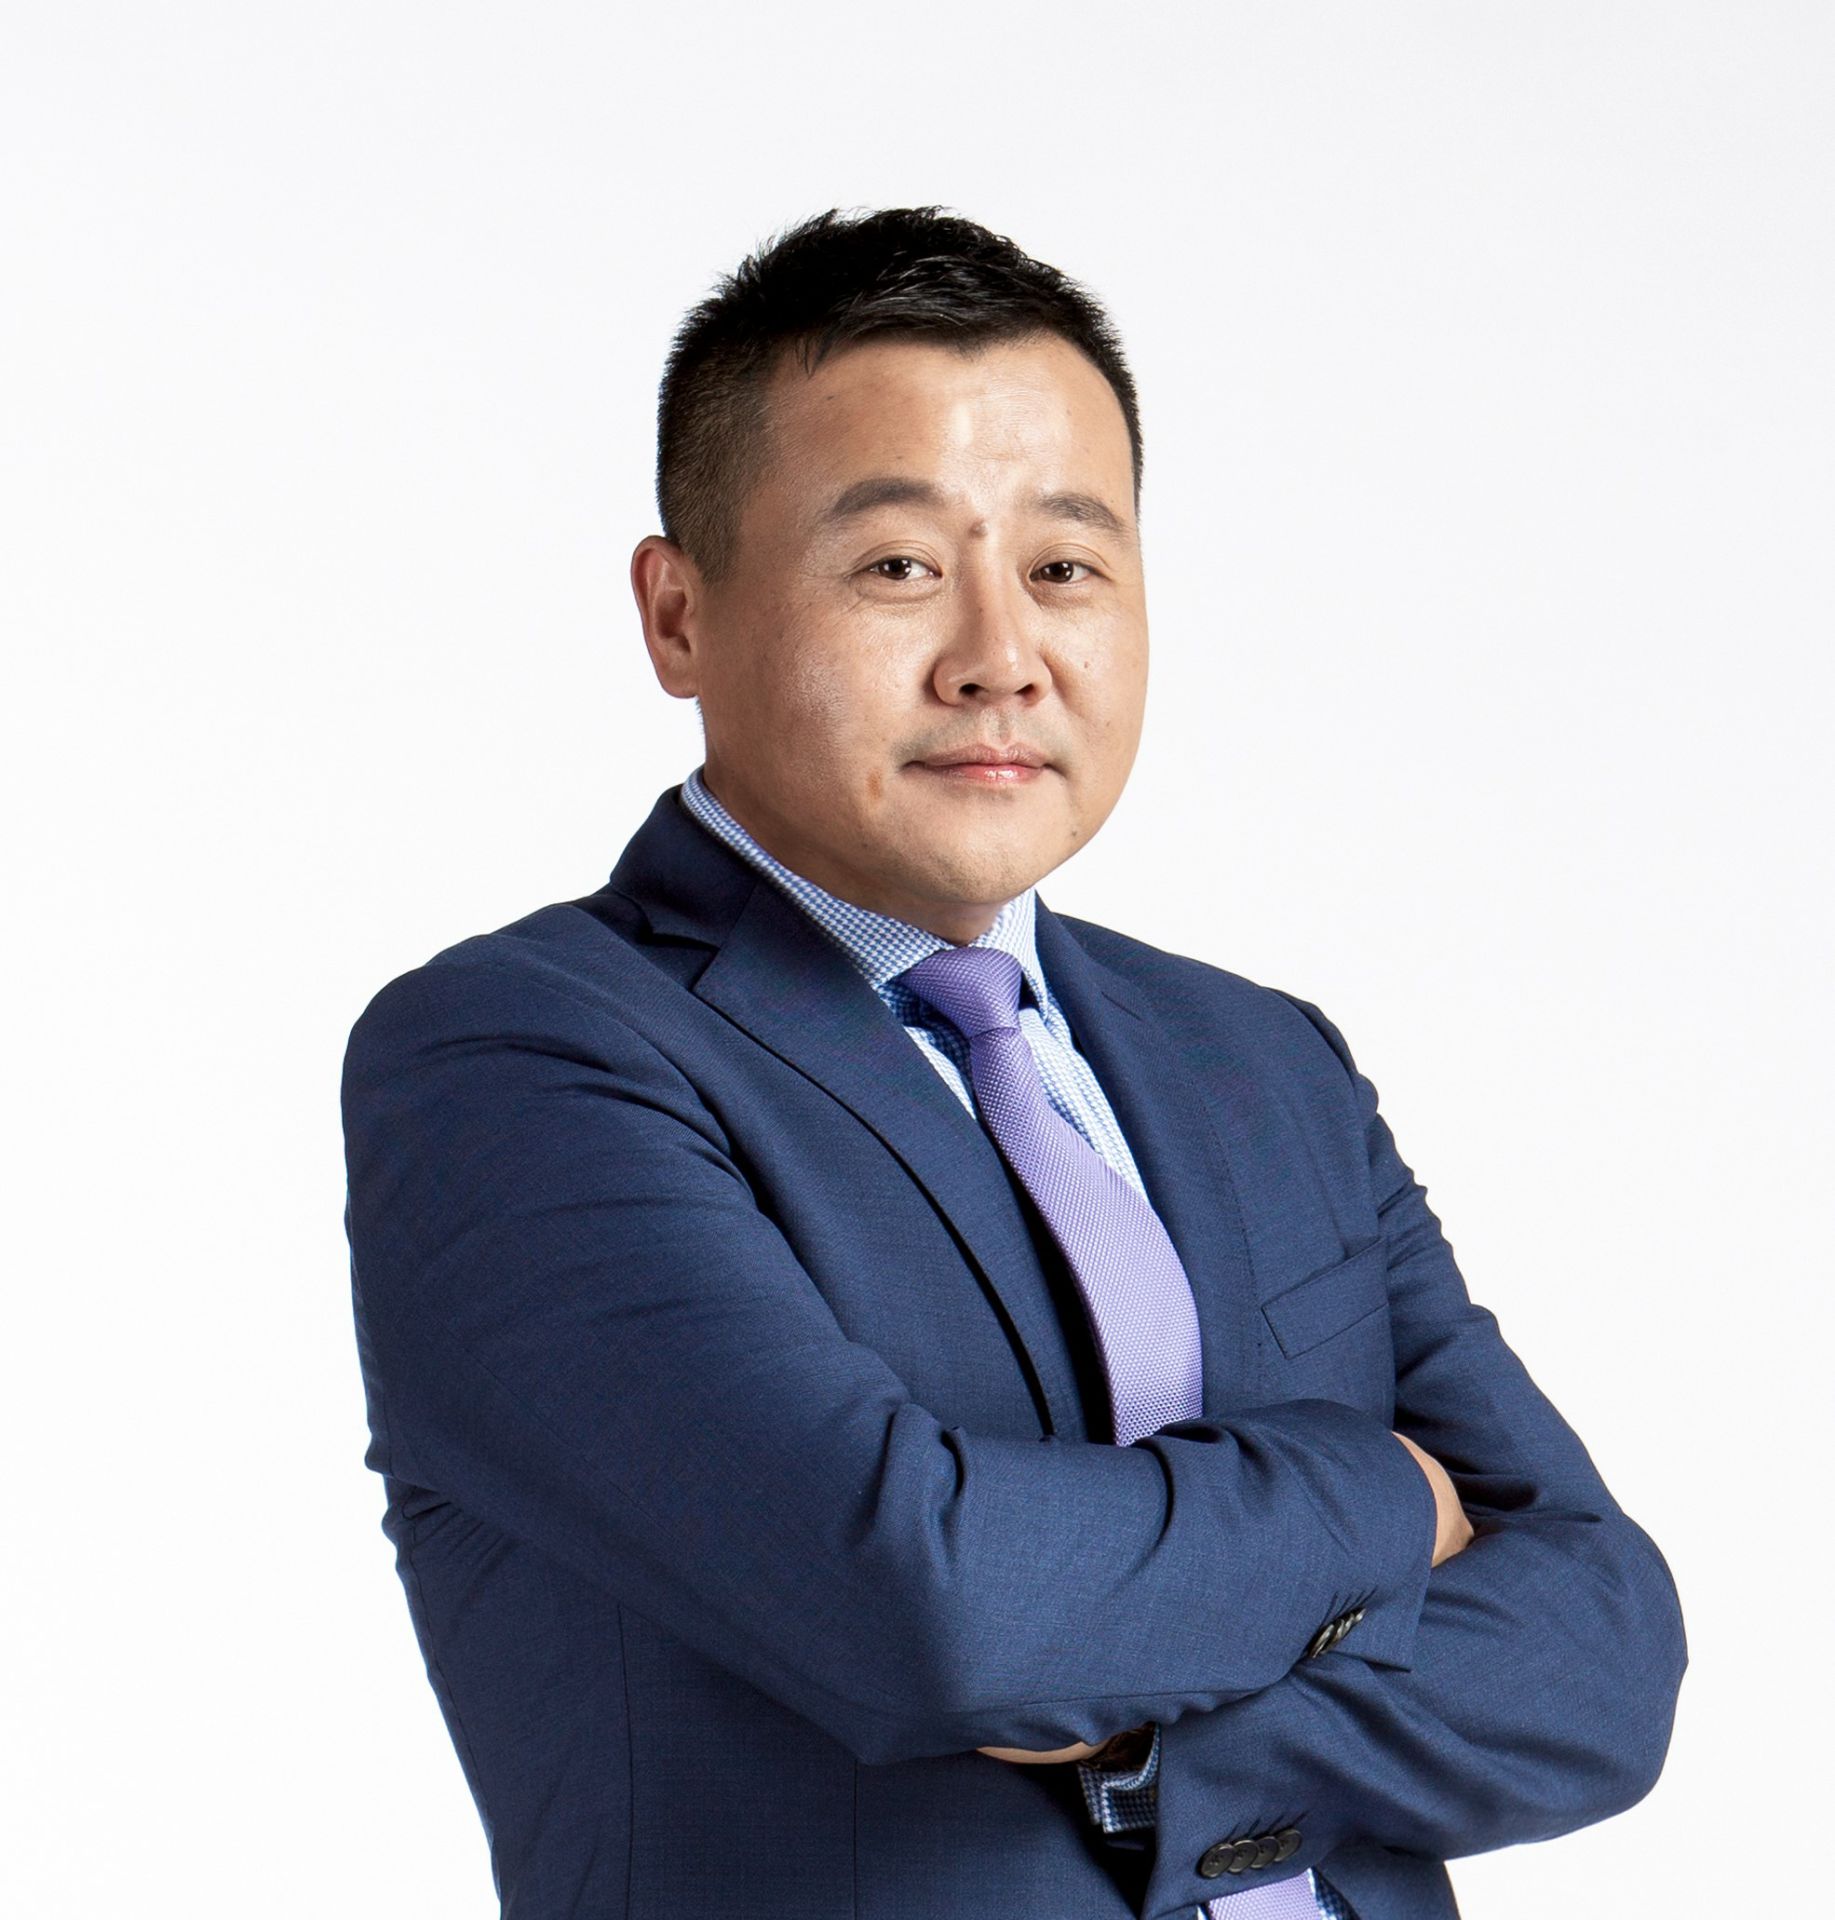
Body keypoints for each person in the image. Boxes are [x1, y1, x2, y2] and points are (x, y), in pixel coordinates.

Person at [340, 206, 1686, 1920]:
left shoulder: (1259, 1060)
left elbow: (1605, 1654)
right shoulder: (520, 1061)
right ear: (679, 615)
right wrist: (1381, 1493)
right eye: (899, 567)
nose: (1000, 657)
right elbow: (932, 1608)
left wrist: (1157, 1763)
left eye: (1064, 569)